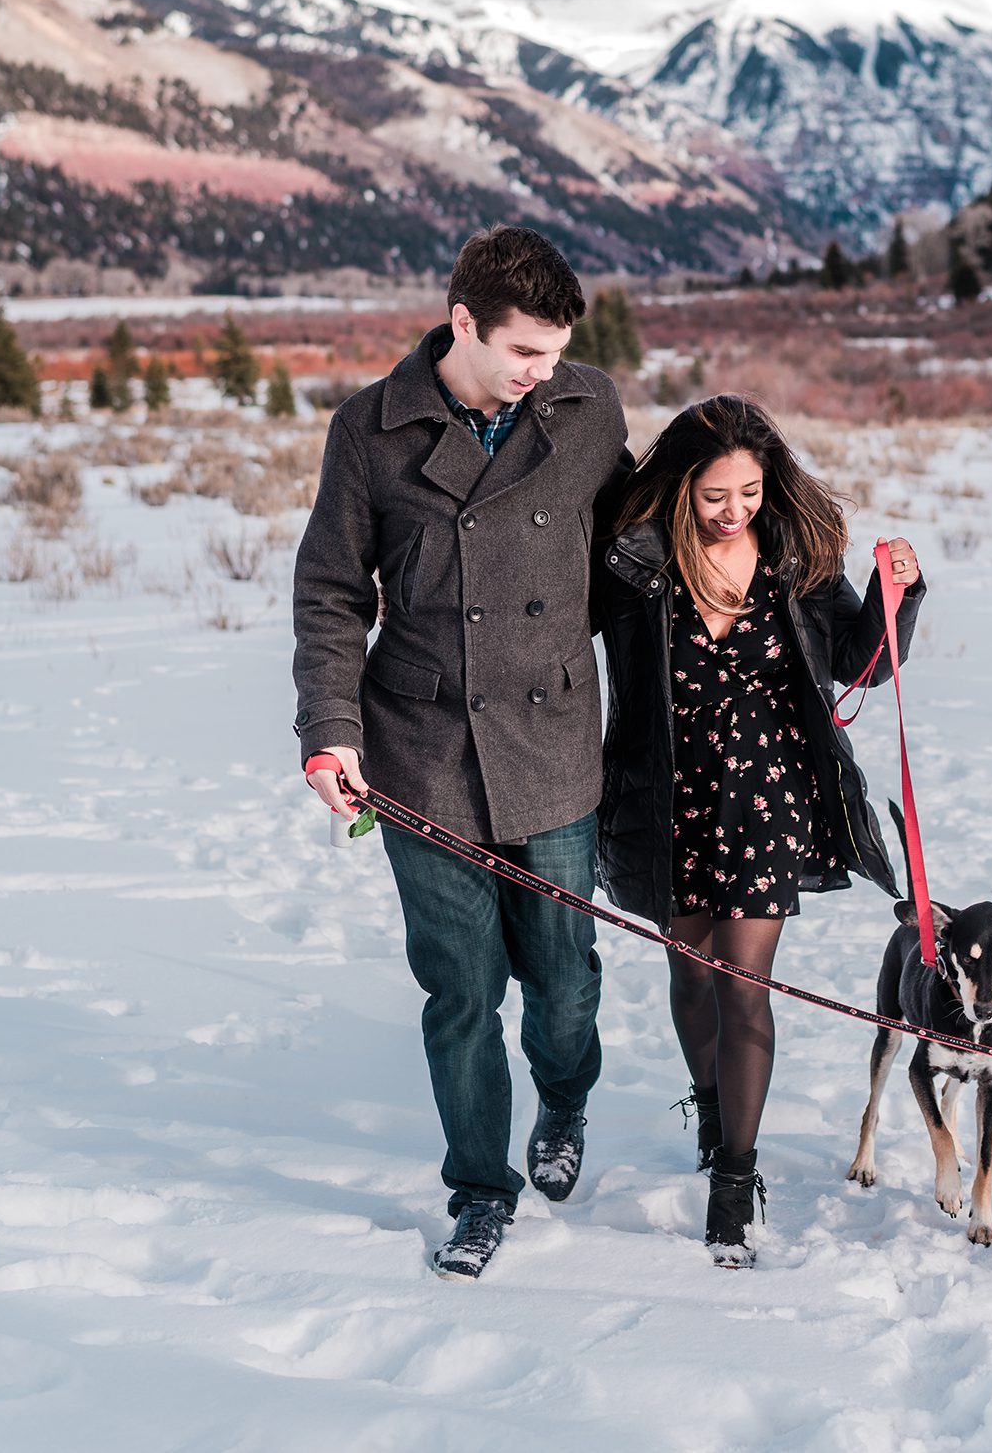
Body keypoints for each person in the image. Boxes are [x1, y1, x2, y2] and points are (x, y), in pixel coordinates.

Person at [292, 226, 631, 1280]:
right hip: (424, 748)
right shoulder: (371, 432)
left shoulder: (584, 409)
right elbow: (334, 593)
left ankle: (564, 1101)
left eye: (555, 352)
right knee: (461, 990)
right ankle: (481, 1190)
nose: (542, 372)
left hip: (556, 742)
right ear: (463, 321)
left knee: (565, 987)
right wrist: (330, 732)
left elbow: (635, 545)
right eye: (523, 351)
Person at [597, 395, 923, 1267]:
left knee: (745, 985)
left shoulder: (796, 554)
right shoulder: (633, 562)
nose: (734, 509)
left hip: (768, 798)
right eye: (714, 496)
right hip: (666, 795)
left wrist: (902, 595)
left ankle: (735, 1177)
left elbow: (862, 661)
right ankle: (710, 1105)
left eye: (748, 490)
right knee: (691, 973)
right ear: (679, 490)